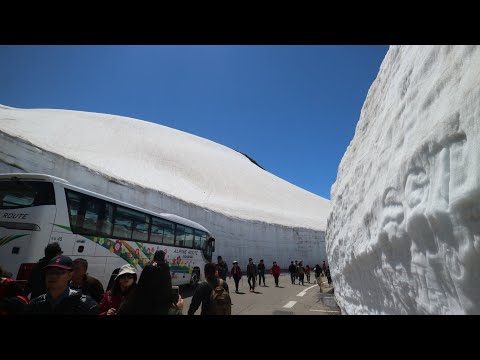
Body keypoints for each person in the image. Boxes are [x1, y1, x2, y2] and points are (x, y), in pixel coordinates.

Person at [24, 255, 98, 314]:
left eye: (59, 272)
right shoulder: (35, 304)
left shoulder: (85, 305)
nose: (53, 276)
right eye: (50, 272)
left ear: (70, 275)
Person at [117, 261, 183, 315]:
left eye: (129, 276)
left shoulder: (127, 305)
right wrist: (179, 310)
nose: (126, 278)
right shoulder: (171, 311)